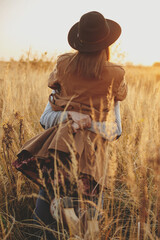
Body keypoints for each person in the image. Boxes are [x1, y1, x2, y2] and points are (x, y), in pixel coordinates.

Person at [13, 11, 127, 239]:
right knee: (88, 229)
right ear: (107, 44)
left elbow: (45, 120)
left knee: (42, 227)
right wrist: (88, 121)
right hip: (93, 164)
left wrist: (72, 116)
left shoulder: (63, 67)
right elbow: (115, 131)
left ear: (79, 41)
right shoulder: (115, 75)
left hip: (58, 157)